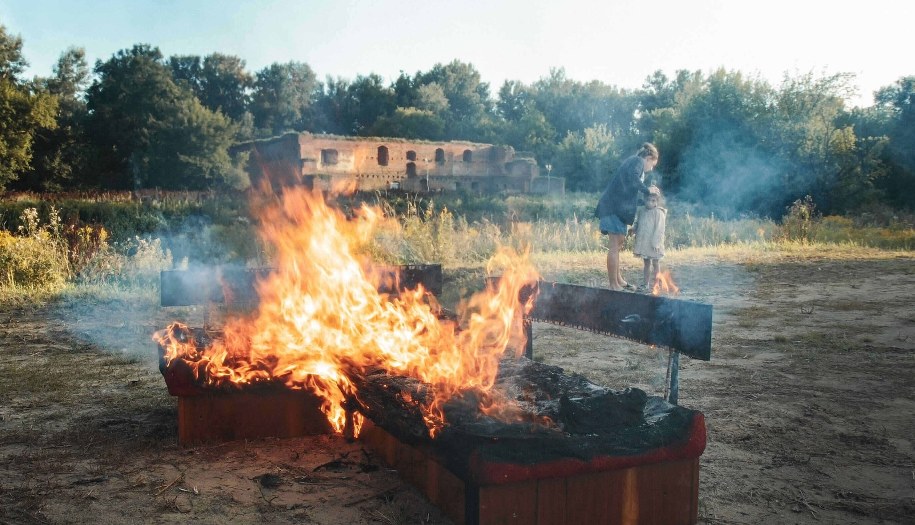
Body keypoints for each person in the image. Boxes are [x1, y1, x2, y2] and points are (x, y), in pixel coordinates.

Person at [595, 143, 659, 291]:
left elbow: (630, 192)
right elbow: (633, 179)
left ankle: (618, 279)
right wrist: (647, 190)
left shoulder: (634, 165)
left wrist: (648, 200)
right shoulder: (637, 162)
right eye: (652, 164)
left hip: (618, 209)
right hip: (612, 208)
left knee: (619, 243)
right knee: (614, 245)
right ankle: (613, 284)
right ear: (648, 158)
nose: (651, 168)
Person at [632, 186, 666, 291]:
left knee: (656, 263)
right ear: (644, 199)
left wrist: (656, 243)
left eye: (653, 200)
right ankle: (646, 284)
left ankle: (657, 284)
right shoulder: (641, 211)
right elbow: (638, 222)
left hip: (654, 243)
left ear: (657, 201)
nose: (650, 202)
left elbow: (660, 229)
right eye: (648, 200)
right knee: (646, 263)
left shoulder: (659, 212)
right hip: (644, 242)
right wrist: (634, 229)